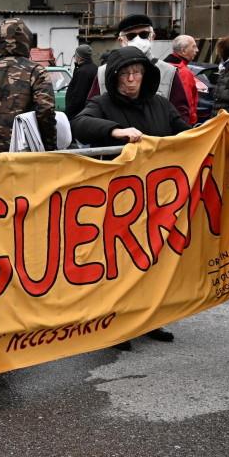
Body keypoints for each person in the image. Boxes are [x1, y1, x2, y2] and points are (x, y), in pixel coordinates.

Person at [70, 46, 189, 347]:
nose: (132, 79)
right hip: (119, 201)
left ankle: (150, 319)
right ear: (114, 76)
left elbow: (185, 134)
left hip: (157, 200)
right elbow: (79, 124)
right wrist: (117, 132)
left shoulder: (161, 104)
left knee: (154, 260)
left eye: (137, 72)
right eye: (125, 73)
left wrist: (216, 128)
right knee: (119, 262)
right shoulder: (101, 102)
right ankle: (115, 324)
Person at [0, 19, 56, 152]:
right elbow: (45, 110)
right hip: (25, 150)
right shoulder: (36, 71)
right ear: (26, 41)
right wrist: (50, 146)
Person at [90, 14, 190, 121]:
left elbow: (181, 113)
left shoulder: (169, 72)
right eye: (131, 36)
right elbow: (91, 113)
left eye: (143, 34)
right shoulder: (103, 73)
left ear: (152, 37)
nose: (138, 40)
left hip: (155, 136)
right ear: (120, 41)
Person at [163, 34, 199, 125]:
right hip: (180, 124)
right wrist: (190, 123)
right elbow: (186, 103)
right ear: (183, 50)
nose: (197, 50)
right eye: (194, 47)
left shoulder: (163, 66)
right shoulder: (183, 72)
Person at [64, 44, 97, 120]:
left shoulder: (83, 72)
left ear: (79, 57)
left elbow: (78, 95)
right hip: (89, 110)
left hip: (79, 113)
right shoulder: (94, 67)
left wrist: (69, 112)